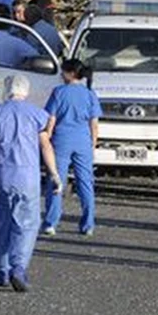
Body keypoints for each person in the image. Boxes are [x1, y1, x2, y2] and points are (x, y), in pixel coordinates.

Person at [0, 74, 62, 292]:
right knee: (27, 225)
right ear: (26, 91)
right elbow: (45, 145)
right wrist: (55, 174)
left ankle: (2, 270)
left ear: (6, 90)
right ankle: (18, 268)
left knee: (2, 224)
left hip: (3, 177)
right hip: (27, 178)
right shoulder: (36, 115)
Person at [42, 59, 101, 236]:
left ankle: (51, 222)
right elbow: (94, 122)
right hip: (83, 140)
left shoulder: (59, 92)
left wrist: (47, 138)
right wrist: (93, 143)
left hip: (61, 139)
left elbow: (51, 119)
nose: (61, 74)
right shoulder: (90, 94)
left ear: (71, 73)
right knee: (85, 182)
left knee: (56, 179)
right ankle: (88, 223)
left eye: (63, 71)